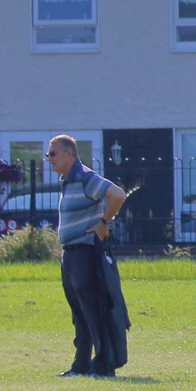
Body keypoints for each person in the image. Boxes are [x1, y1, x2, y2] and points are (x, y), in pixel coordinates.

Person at [47, 134, 128, 377]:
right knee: (79, 315)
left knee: (94, 311)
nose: (49, 158)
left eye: (52, 153)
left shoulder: (84, 178)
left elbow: (117, 194)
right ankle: (81, 365)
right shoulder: (67, 181)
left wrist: (104, 222)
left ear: (69, 154)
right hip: (70, 255)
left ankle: (103, 365)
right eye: (47, 154)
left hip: (85, 253)